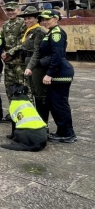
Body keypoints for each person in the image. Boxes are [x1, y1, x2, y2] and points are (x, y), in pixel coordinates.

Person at [37, 9, 76, 143]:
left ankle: (67, 133)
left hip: (60, 73)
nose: (44, 22)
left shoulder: (57, 33)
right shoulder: (51, 32)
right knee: (54, 103)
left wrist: (49, 74)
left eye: (47, 19)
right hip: (57, 72)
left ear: (56, 18)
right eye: (42, 19)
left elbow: (57, 56)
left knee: (59, 104)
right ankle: (62, 131)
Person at [20, 7, 48, 125]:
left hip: (35, 64)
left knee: (39, 94)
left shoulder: (38, 31)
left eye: (30, 18)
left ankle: (43, 122)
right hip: (28, 61)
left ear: (37, 19)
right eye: (25, 19)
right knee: (33, 92)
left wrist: (30, 67)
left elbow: (37, 51)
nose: (27, 21)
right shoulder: (29, 31)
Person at [1, 2, 27, 122]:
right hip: (8, 63)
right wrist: (2, 53)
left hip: (20, 63)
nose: (10, 12)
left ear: (18, 10)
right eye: (8, 10)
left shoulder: (23, 23)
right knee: (9, 88)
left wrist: (9, 53)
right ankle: (13, 112)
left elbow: (24, 42)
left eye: (12, 10)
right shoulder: (5, 24)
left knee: (22, 88)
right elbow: (2, 41)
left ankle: (24, 113)